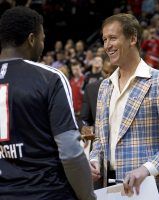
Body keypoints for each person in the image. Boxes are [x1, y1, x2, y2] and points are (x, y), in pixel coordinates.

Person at [89, 13, 159, 199]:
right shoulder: (105, 86)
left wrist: (147, 169)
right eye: (104, 39)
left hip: (152, 188)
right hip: (110, 190)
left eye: (113, 38)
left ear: (133, 38)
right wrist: (94, 160)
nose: (107, 45)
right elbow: (99, 139)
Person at [0, 6, 95, 200]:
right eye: (42, 39)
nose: (43, 45)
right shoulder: (50, 78)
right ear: (32, 39)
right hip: (46, 192)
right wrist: (87, 196)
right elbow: (70, 152)